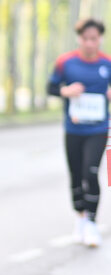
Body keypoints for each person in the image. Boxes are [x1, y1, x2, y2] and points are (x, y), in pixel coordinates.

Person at [47, 18, 111, 247]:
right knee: (75, 175)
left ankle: (92, 223)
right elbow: (51, 88)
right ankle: (81, 217)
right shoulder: (66, 62)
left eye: (94, 39)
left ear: (100, 39)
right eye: (85, 38)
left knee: (90, 172)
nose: (90, 43)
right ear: (79, 39)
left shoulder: (107, 63)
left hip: (98, 128)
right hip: (73, 128)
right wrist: (66, 91)